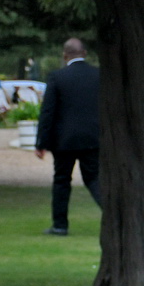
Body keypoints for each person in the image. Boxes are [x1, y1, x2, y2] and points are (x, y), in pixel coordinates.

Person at [34, 38, 100, 236]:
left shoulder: (58, 77)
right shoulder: (98, 75)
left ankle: (60, 224)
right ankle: (113, 215)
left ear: (65, 56)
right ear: (85, 53)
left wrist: (41, 143)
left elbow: (48, 112)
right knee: (95, 178)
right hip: (92, 137)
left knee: (62, 180)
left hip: (64, 140)